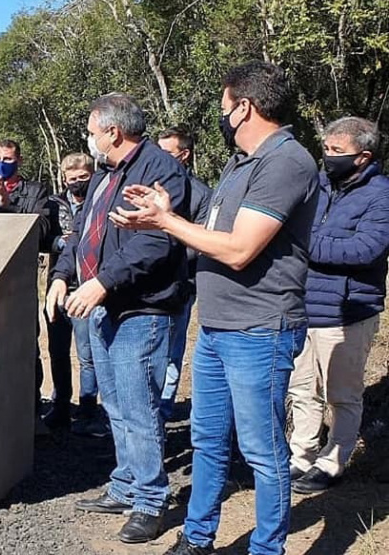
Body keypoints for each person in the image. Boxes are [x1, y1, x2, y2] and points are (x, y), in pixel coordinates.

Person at [109, 61, 319, 555]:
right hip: (218, 327)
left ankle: (266, 548)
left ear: (244, 107)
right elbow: (213, 233)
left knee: (262, 452)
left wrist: (165, 223)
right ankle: (198, 538)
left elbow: (240, 249)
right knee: (207, 441)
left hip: (260, 329)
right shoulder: (240, 163)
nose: (221, 116)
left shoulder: (286, 162)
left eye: (225, 107)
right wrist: (166, 213)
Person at [46, 94, 190, 544]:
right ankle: (126, 484)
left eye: (92, 132)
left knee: (139, 406)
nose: (89, 140)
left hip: (140, 309)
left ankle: (150, 500)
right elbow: (82, 234)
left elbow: (156, 242)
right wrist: (62, 275)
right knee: (115, 404)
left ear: (113, 131)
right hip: (103, 305)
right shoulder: (104, 175)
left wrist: (102, 282)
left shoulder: (160, 170)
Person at [288, 116, 389, 494]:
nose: (328, 156)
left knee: (342, 394)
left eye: (337, 151)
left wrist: (305, 244)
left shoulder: (381, 195)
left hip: (348, 312)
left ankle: (333, 461)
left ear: (363, 157)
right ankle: (301, 455)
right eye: (326, 148)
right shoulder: (316, 185)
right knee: (302, 389)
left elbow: (366, 249)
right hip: (302, 306)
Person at [0, 140, 52, 428]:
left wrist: (8, 207)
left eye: (7, 158)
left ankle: (31, 412)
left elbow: (42, 231)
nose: (2, 164)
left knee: (26, 347)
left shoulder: (36, 192)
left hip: (21, 282)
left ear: (19, 160)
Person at [43, 153, 106, 436]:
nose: (78, 182)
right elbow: (41, 236)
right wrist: (60, 242)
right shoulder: (52, 204)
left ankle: (89, 408)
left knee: (87, 353)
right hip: (57, 286)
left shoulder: (99, 202)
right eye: (72, 178)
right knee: (57, 352)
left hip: (86, 288)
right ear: (64, 178)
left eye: (83, 177)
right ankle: (60, 406)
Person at [156, 127, 212, 422]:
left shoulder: (200, 194)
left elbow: (203, 241)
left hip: (181, 284)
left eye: (166, 153)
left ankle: (163, 410)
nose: (159, 158)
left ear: (184, 155)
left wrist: (162, 247)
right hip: (144, 283)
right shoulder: (146, 186)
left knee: (170, 351)